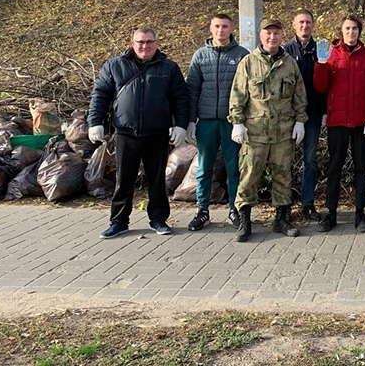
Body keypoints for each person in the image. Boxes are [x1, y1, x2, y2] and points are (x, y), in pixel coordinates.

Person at [88, 27, 189, 239]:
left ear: (157, 43)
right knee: (124, 179)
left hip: (157, 133)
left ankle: (159, 219)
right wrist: (94, 122)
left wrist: (181, 124)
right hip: (126, 132)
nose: (145, 46)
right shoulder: (115, 66)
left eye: (150, 42)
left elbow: (180, 97)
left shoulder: (168, 67)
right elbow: (100, 95)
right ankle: (119, 222)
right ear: (132, 43)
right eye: (141, 42)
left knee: (157, 179)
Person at [228, 19, 308, 242]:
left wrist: (301, 120)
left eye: (276, 33)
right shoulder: (248, 63)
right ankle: (244, 221)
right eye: (268, 33)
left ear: (282, 36)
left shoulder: (290, 63)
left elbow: (299, 96)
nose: (272, 37)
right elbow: (238, 95)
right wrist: (237, 122)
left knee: (283, 176)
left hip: (282, 132)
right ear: (261, 36)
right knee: (249, 175)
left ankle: (282, 220)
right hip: (255, 133)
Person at [314, 15, 365, 233]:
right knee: (334, 167)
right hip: (338, 122)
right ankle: (331, 212)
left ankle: (360, 214)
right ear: (341, 31)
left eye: (354, 28)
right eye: (347, 28)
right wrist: (321, 64)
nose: (351, 32)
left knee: (361, 168)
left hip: (361, 123)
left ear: (359, 32)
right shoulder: (332, 55)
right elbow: (321, 86)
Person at [186, 14, 249, 231]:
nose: (220, 30)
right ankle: (202, 210)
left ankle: (235, 209)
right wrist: (190, 120)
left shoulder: (242, 55)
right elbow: (192, 89)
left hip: (232, 121)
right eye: (216, 26)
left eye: (224, 26)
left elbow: (247, 91)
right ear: (211, 29)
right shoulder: (200, 56)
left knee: (234, 168)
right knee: (204, 168)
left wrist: (243, 121)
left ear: (232, 28)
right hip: (206, 121)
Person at [283, 9, 328, 221]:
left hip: (314, 113)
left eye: (308, 22)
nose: (304, 26)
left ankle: (308, 203)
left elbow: (328, 81)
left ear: (313, 25)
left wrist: (327, 110)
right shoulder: (285, 50)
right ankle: (285, 203)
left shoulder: (320, 49)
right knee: (286, 160)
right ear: (293, 25)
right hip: (289, 115)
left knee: (309, 160)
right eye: (300, 22)